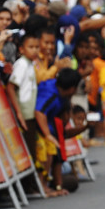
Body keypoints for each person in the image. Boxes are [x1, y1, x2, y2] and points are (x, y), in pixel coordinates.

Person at [34, 68, 82, 197]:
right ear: (72, 88)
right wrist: (48, 135)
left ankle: (47, 185)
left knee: (52, 151)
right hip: (35, 126)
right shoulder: (50, 93)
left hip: (49, 125)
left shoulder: (63, 95)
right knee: (44, 152)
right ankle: (40, 187)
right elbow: (39, 112)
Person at [7, 33, 41, 193]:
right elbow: (11, 87)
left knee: (32, 149)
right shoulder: (21, 64)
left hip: (31, 113)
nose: (34, 50)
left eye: (36, 47)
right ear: (21, 49)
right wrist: (19, 113)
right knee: (27, 150)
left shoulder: (30, 64)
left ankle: (32, 186)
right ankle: (29, 187)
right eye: (30, 47)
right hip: (24, 114)